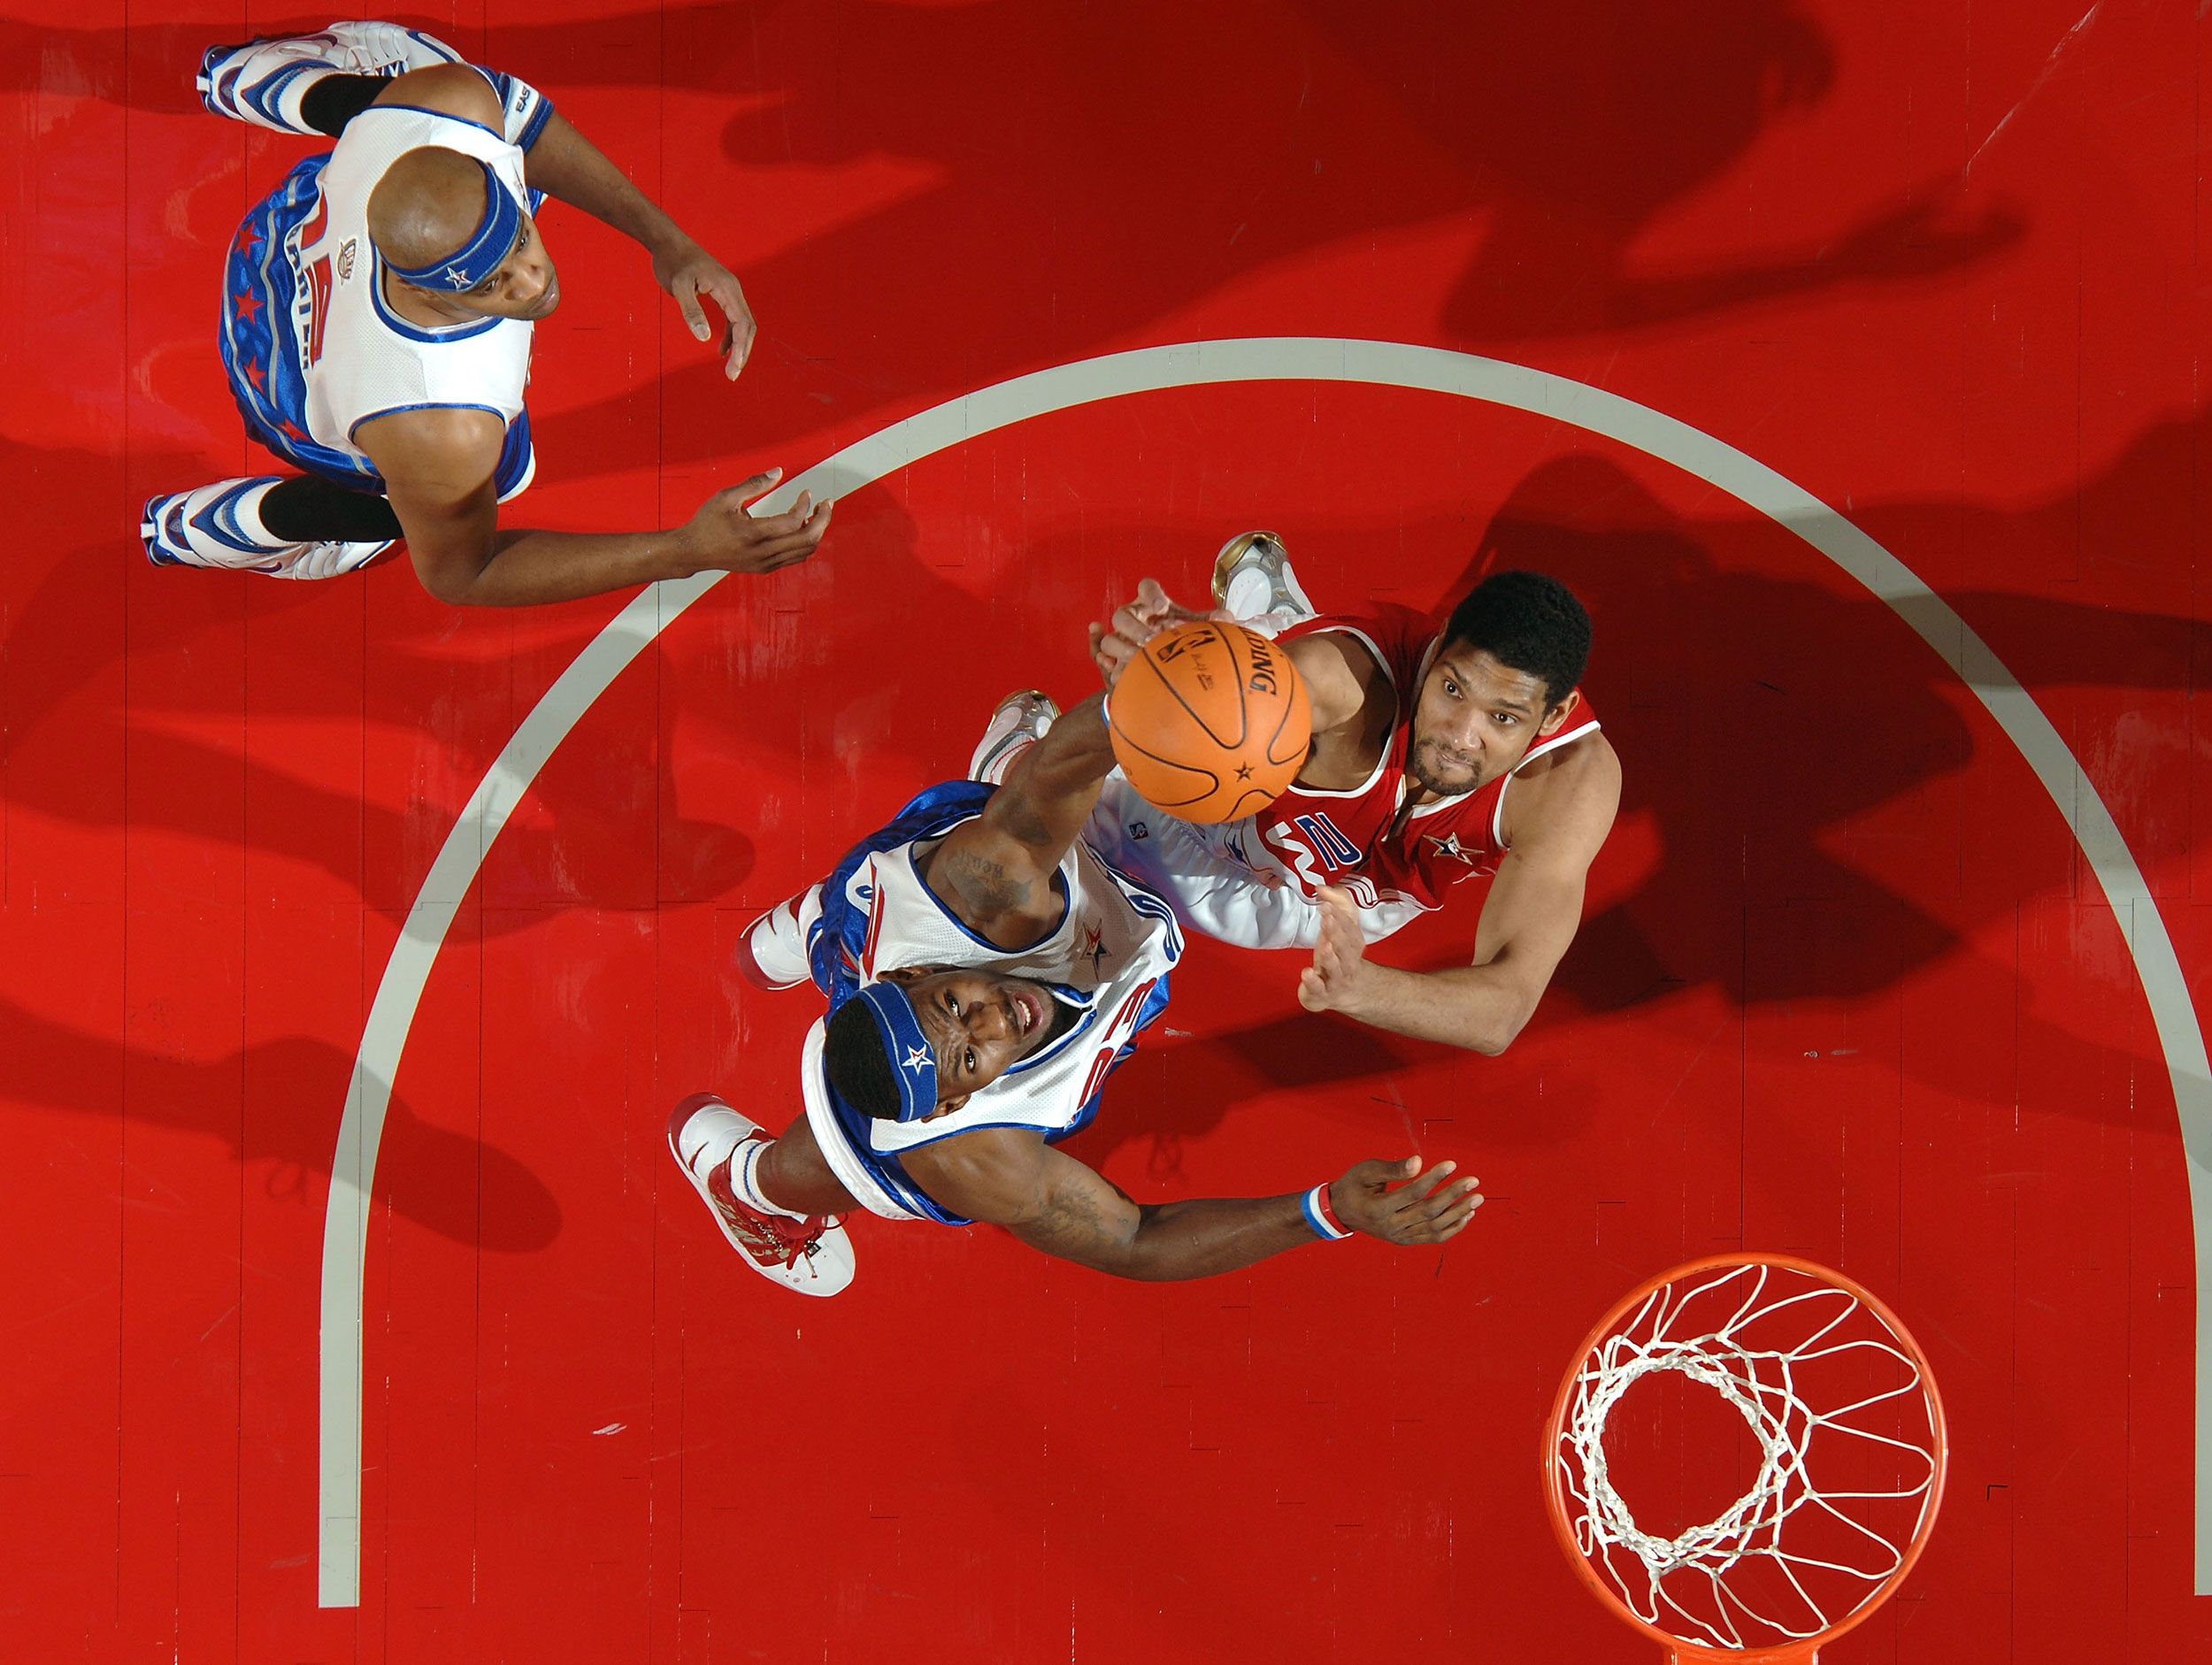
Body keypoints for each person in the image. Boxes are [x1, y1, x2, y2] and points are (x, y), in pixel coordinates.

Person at [668, 690, 1486, 1295]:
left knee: (1028, 797)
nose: (989, 1019)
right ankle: (758, 1192)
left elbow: (1075, 754)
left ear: (916, 975)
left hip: (981, 882)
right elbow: (1133, 1240)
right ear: (955, 1103)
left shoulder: (987, 885)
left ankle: (830, 925)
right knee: (876, 1151)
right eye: (968, 1056)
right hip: (1072, 941)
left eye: (952, 1005)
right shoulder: (973, 1151)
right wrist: (1329, 1211)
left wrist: (1167, 692)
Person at [142, 21, 831, 600]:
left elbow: (522, 130)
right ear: (427, 293)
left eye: (522, 239)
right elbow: (463, 574)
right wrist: (685, 550)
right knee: (458, 495)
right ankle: (228, 529)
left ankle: (251, 79)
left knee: (445, 87)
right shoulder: (444, 423)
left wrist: (669, 242)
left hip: (278, 247)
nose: (533, 279)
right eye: (495, 283)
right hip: (282, 390)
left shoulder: (453, 109)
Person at [1087, 535, 1621, 1056]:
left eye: (1502, 718)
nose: (1460, 737)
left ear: (1554, 715)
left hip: (1345, 907)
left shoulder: (1569, 783)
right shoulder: (1349, 685)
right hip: (1212, 841)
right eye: (1452, 689)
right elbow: (1294, 682)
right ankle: (1014, 753)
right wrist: (1178, 674)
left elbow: (1504, 1009)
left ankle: (1272, 622)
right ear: (1439, 647)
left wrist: (1356, 987)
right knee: (1068, 818)